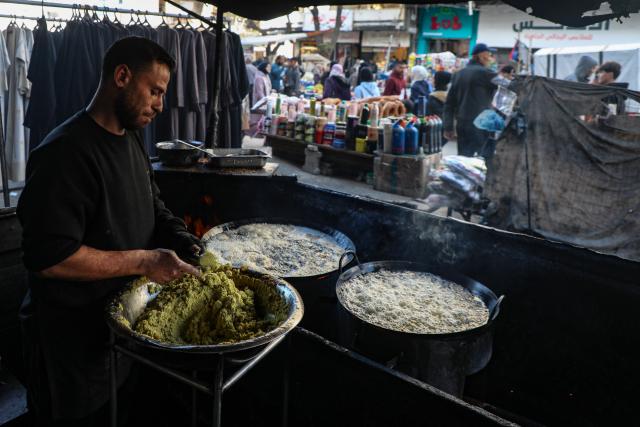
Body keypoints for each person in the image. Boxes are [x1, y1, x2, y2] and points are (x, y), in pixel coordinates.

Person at [16, 37, 203, 426]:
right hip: (68, 349)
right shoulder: (63, 154)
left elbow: (152, 204)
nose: (160, 104)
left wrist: (186, 242)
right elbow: (51, 259)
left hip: (116, 334)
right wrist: (147, 260)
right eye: (154, 91)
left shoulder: (132, 139)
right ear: (122, 76)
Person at [443, 43, 497, 157]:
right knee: (484, 161)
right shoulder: (486, 73)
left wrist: (448, 126)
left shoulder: (458, 74)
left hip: (463, 124)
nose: (490, 58)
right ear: (482, 56)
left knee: (464, 161)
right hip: (481, 124)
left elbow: (449, 104)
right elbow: (509, 86)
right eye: (489, 55)